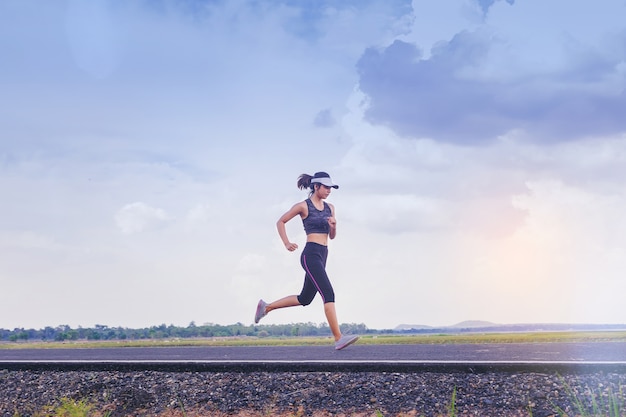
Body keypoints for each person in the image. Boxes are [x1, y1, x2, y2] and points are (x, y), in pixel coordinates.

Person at [254, 171, 359, 350]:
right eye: (326, 187)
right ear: (316, 186)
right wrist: (286, 243)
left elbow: (331, 237)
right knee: (328, 293)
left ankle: (266, 307)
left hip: (323, 254)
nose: (329, 191)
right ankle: (338, 338)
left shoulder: (330, 208)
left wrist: (333, 227)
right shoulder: (303, 206)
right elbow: (281, 221)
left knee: (305, 298)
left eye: (331, 188)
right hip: (310, 255)